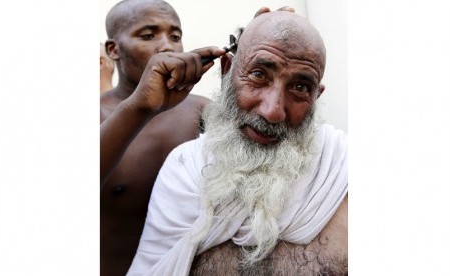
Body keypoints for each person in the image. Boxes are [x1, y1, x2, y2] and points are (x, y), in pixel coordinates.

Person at [127, 11, 348, 275]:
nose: (272, 111)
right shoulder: (185, 169)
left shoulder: (342, 170)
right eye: (258, 74)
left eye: (300, 88)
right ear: (226, 71)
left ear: (316, 96)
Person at [100, 0, 225, 275]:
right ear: (113, 50)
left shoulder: (202, 110)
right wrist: (140, 107)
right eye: (148, 35)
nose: (167, 46)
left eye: (176, 36)